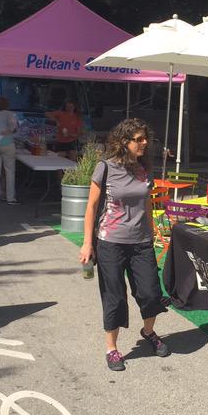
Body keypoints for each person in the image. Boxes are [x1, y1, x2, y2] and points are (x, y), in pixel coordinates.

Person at [79, 118, 170, 372]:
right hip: (110, 242)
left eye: (145, 139)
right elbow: (91, 207)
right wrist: (88, 243)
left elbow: (147, 203)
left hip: (141, 242)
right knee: (114, 297)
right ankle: (112, 349)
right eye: (138, 139)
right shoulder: (105, 168)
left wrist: (151, 231)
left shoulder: (144, 170)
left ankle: (148, 332)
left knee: (151, 293)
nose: (144, 143)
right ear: (123, 142)